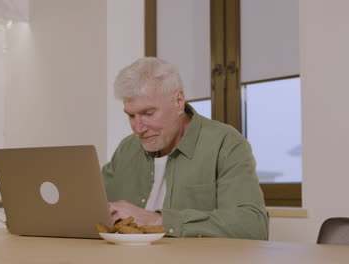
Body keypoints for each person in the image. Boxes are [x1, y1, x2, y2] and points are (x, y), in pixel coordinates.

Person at [102, 57, 268, 239]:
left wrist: (157, 220)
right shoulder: (128, 148)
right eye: (131, 116)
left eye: (148, 113)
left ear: (179, 101)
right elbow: (93, 204)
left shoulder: (225, 143)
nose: (138, 128)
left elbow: (253, 225)